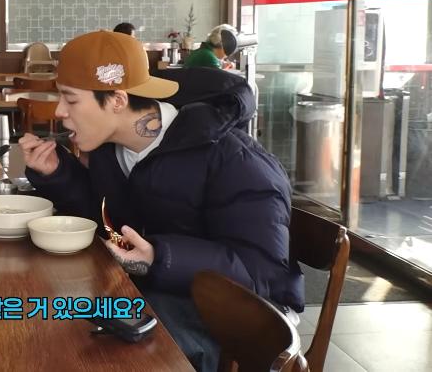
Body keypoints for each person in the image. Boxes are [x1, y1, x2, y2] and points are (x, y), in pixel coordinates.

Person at [20, 30, 303, 372]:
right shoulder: (112, 149)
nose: (59, 111)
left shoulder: (234, 160)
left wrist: (160, 256)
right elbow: (108, 220)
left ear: (117, 100)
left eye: (71, 99)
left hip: (243, 327)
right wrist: (58, 173)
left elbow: (263, 273)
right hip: (156, 297)